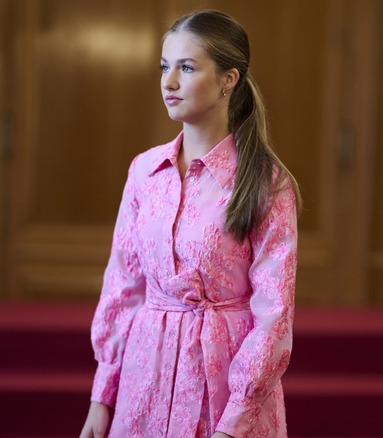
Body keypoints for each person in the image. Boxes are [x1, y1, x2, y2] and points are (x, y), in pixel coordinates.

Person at [79, 10, 300, 438]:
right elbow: (123, 287)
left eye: (187, 67)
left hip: (223, 389)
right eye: (165, 66)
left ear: (228, 79)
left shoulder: (266, 182)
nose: (169, 82)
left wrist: (233, 422)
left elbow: (275, 312)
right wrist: (101, 397)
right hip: (144, 378)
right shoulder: (145, 171)